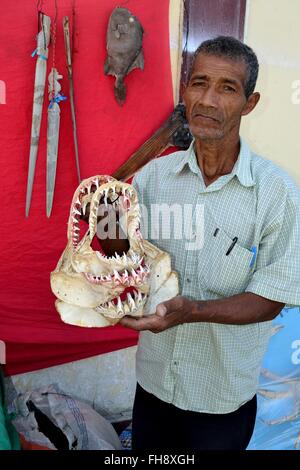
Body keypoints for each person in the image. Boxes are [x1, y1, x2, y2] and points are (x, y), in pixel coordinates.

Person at [119, 36, 300, 450]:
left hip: (221, 399)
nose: (208, 100)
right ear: (185, 91)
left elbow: (271, 298)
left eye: (227, 88)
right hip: (153, 384)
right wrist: (105, 264)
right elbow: (124, 256)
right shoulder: (151, 179)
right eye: (199, 83)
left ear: (249, 103)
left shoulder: (277, 194)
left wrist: (191, 312)